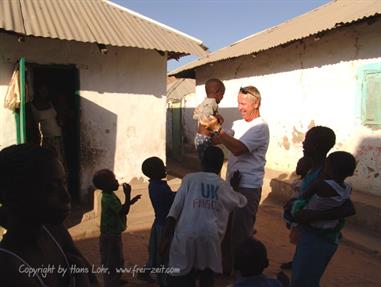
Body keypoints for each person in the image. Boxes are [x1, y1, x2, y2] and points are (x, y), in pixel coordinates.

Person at [0, 144, 98, 286]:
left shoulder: (54, 231)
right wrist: (81, 276)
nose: (66, 196)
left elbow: (92, 277)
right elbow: (85, 272)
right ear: (13, 196)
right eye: (51, 188)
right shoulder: (9, 268)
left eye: (63, 183)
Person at [202, 85, 270, 273]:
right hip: (232, 185)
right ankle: (226, 269)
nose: (240, 107)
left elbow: (239, 148)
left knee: (240, 233)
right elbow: (220, 140)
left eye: (243, 104)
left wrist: (220, 131)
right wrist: (214, 127)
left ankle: (242, 275)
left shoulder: (260, 127)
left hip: (247, 187)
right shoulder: (240, 124)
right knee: (226, 229)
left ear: (256, 103)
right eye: (238, 103)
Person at [160, 146, 247, 287]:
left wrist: (166, 236)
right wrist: (233, 188)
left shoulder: (189, 179)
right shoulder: (223, 186)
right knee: (207, 272)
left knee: (180, 274)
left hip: (186, 233)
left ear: (202, 162)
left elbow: (175, 209)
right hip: (210, 235)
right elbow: (239, 201)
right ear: (221, 165)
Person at [287, 126, 356, 287]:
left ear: (315, 147)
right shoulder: (315, 170)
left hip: (318, 237)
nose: (303, 144)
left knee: (304, 280)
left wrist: (310, 215)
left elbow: (347, 208)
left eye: (307, 142)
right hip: (309, 233)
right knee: (302, 274)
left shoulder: (327, 176)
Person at [93, 169, 141, 287]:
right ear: (106, 185)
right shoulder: (108, 198)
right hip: (109, 236)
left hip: (113, 233)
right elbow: (123, 211)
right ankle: (110, 283)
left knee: (117, 259)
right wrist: (128, 195)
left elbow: (120, 208)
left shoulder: (109, 194)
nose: (117, 182)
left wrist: (131, 201)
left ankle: (115, 279)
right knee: (110, 261)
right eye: (114, 180)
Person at [137, 157, 176, 286]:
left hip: (159, 223)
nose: (165, 168)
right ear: (154, 172)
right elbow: (172, 199)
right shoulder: (160, 187)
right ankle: (163, 281)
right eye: (162, 167)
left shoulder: (154, 185)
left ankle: (147, 272)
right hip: (164, 226)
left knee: (156, 252)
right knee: (163, 255)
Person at [280, 156, 313, 270]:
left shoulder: (306, 184)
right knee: (299, 240)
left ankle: (298, 262)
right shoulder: (298, 182)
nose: (298, 167)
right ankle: (297, 261)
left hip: (300, 215)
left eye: (301, 165)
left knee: (301, 240)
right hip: (295, 214)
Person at [193, 78, 225, 161]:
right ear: (217, 93)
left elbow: (196, 116)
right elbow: (208, 119)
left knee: (205, 162)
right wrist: (218, 121)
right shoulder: (212, 103)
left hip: (200, 138)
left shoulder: (204, 103)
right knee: (208, 163)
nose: (222, 97)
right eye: (222, 94)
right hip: (205, 139)